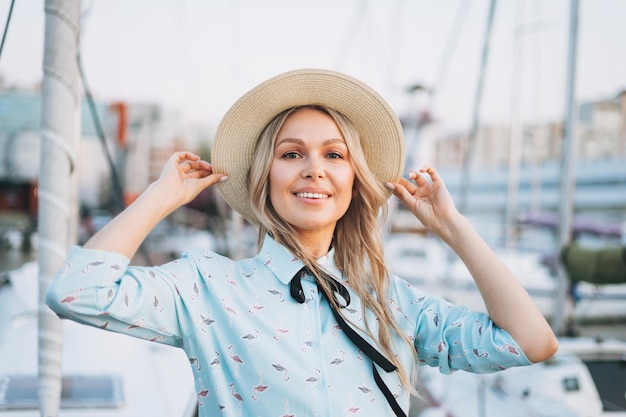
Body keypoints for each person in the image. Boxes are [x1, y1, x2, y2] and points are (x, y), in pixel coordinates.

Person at [46, 69, 558, 416]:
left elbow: (531, 342)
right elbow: (76, 291)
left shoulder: (393, 301)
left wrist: (454, 228)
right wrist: (161, 197)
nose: (314, 168)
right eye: (292, 154)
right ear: (265, 174)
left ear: (354, 179)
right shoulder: (207, 286)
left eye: (334, 155)